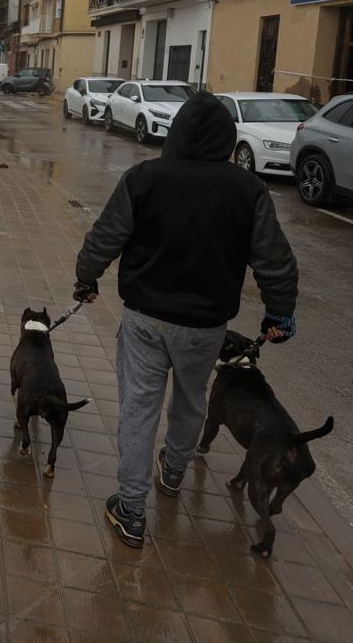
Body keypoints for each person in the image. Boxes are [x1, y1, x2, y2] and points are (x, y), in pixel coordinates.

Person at [73, 90, 298, 548]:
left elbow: (105, 236)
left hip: (144, 320)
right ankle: (173, 471)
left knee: (139, 409)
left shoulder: (144, 178)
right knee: (191, 400)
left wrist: (86, 279)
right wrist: (280, 314)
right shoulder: (248, 189)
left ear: (175, 134)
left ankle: (132, 511)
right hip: (206, 327)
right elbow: (274, 261)